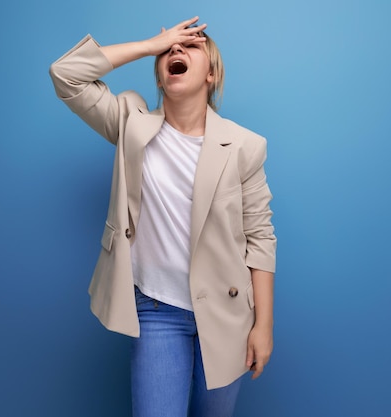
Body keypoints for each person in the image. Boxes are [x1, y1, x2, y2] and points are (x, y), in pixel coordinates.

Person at [50, 16, 277, 417]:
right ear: (159, 72)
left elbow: (260, 237)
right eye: (170, 48)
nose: (177, 50)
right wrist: (150, 44)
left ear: (212, 74)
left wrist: (263, 326)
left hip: (228, 314)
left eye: (191, 46)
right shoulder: (131, 124)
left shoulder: (244, 146)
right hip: (157, 311)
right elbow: (66, 75)